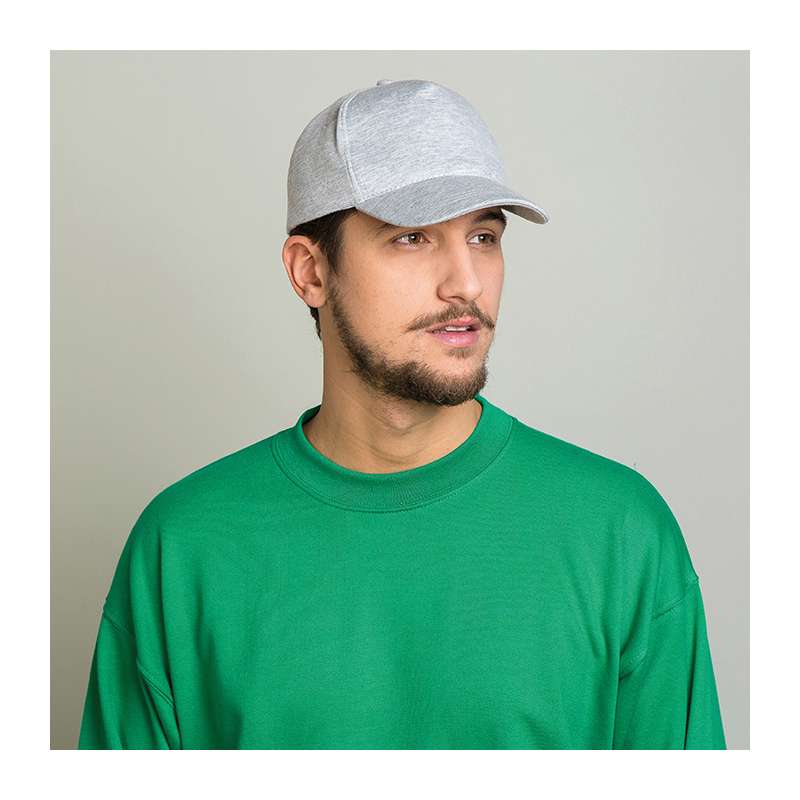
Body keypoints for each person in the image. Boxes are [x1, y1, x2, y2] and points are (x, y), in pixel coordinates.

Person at [78, 78, 727, 749]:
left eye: (483, 236)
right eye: (412, 237)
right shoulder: (184, 548)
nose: (466, 283)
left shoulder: (619, 532)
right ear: (310, 272)